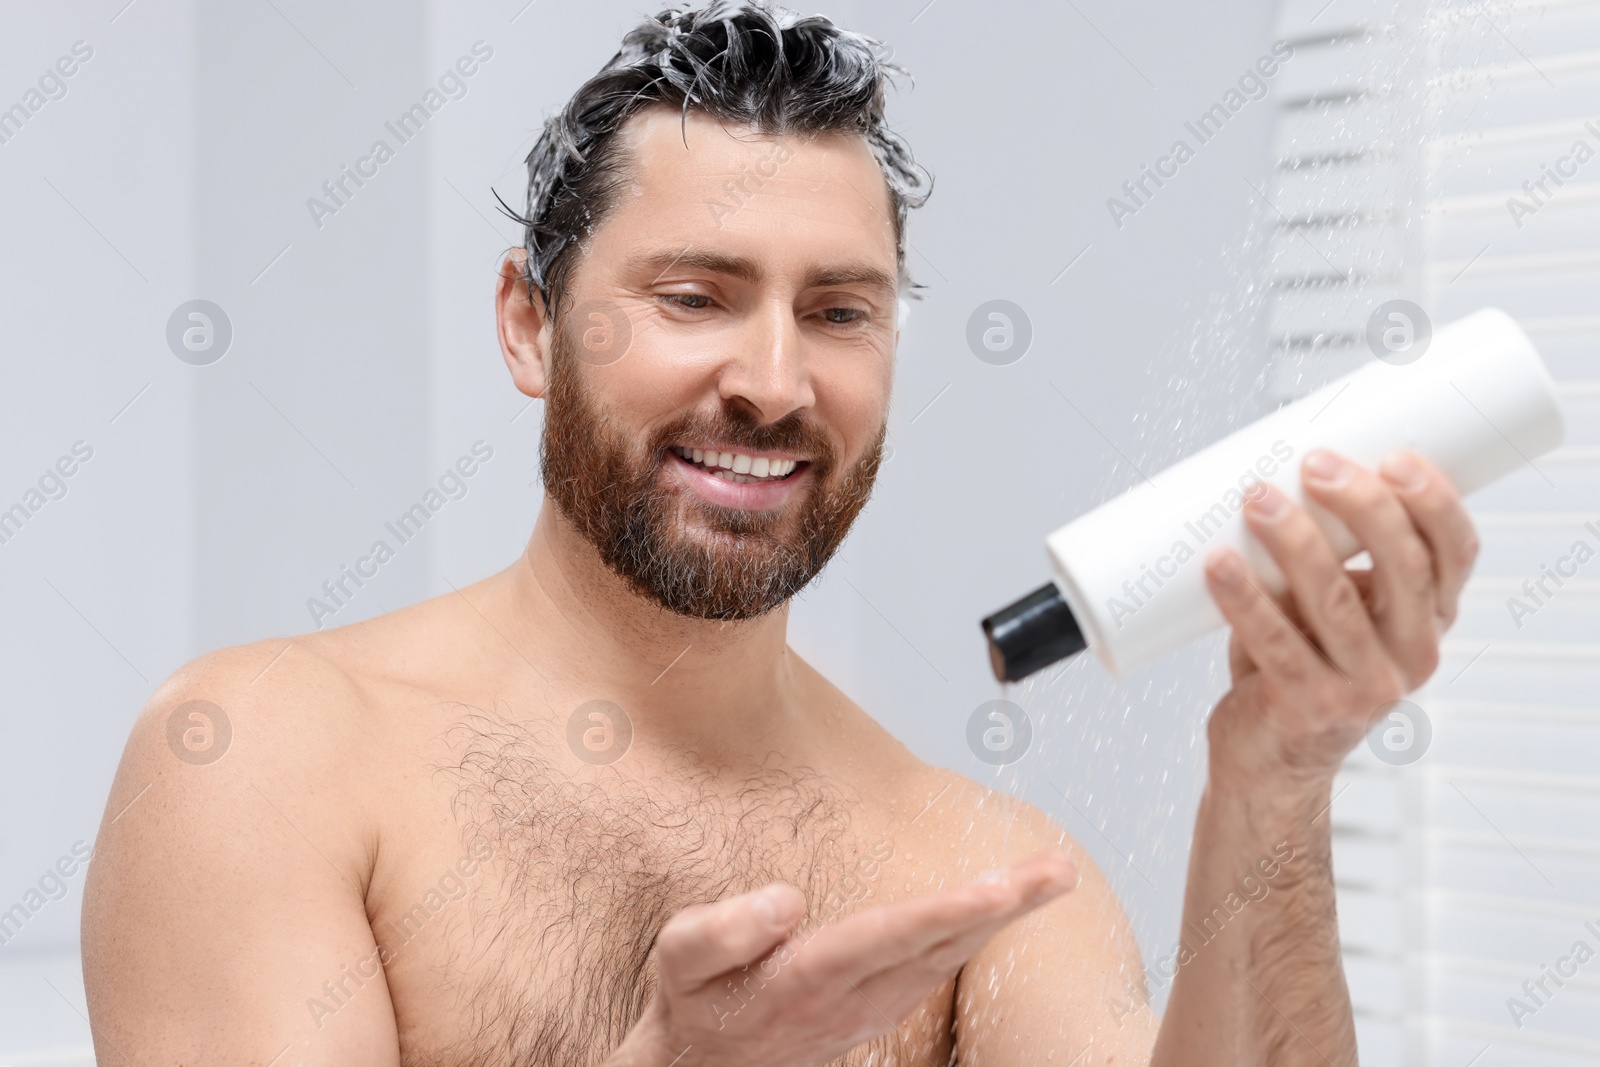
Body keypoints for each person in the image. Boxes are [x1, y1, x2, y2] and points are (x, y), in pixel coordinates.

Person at [81, 3, 1480, 1063]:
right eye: (695, 296)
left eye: (839, 312)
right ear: (529, 321)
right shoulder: (264, 756)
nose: (772, 381)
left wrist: (1276, 782)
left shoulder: (977, 877)